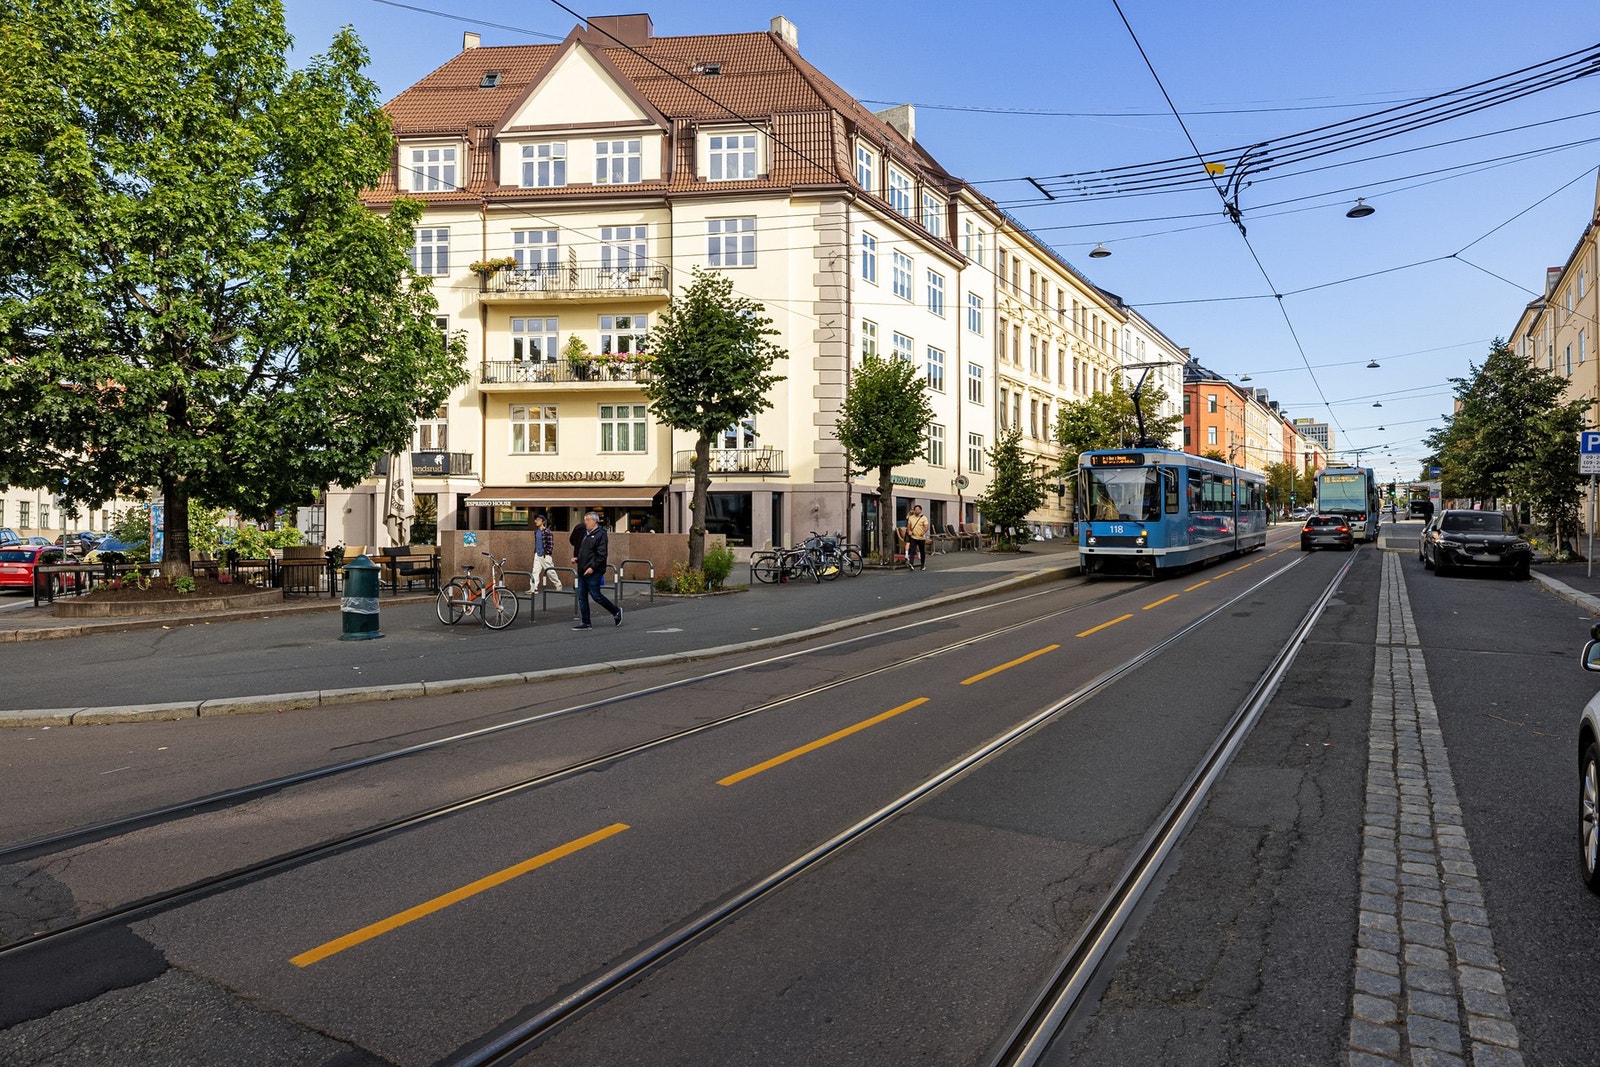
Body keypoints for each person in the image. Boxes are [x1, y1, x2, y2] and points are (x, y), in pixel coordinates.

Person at [573, 510, 622, 629]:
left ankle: (616, 611)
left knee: (596, 596)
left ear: (595, 521)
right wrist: (577, 559)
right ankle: (586, 622)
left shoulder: (600, 534)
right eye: (585, 520)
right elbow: (585, 551)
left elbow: (601, 555)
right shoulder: (586, 534)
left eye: (588, 520)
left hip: (594, 570)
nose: (586, 522)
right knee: (581, 596)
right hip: (582, 568)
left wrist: (592, 568)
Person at [530, 514, 561, 593]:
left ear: (543, 522)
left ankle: (558, 585)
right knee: (535, 571)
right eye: (536, 520)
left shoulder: (547, 532)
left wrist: (547, 553)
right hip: (537, 553)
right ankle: (534, 588)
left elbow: (550, 544)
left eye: (538, 520)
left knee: (550, 571)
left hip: (545, 555)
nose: (536, 521)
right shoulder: (536, 531)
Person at [568, 518, 586, 621]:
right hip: (587, 556)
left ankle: (579, 587)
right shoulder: (590, 530)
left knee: (580, 572)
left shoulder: (578, 527)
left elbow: (571, 540)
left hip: (578, 554)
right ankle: (582, 588)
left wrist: (577, 545)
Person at [904, 505, 930, 571]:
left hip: (921, 538)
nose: (916, 511)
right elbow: (908, 526)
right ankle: (911, 563)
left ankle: (922, 564)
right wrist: (909, 531)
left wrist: (923, 532)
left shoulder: (924, 518)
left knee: (922, 551)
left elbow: (926, 527)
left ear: (920, 510)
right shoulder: (911, 518)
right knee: (912, 550)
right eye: (915, 510)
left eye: (918, 510)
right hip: (913, 537)